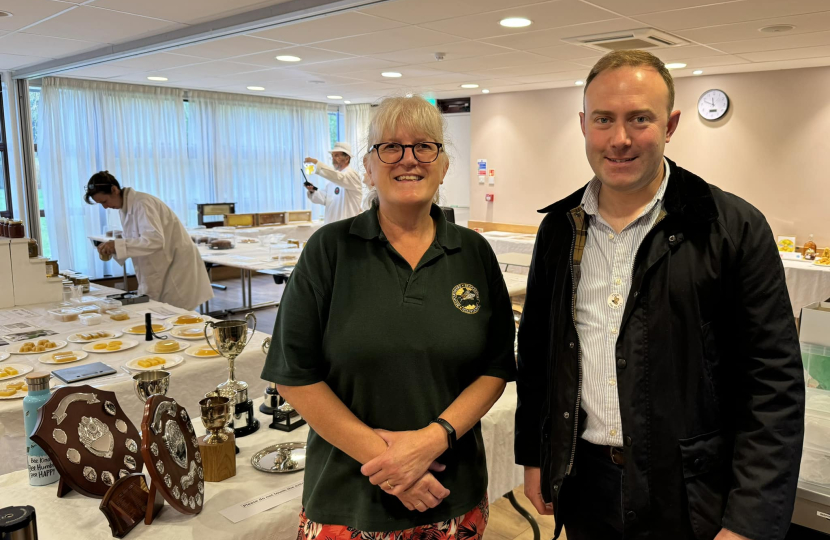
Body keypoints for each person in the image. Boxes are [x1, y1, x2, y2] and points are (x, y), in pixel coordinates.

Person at [515, 50, 804, 540]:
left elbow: (772, 385)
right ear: (584, 124)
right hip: (586, 483)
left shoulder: (731, 228)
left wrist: (751, 519)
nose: (620, 138)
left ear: (670, 125)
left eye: (639, 119)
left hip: (693, 494)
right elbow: (539, 355)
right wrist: (535, 454)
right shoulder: (561, 230)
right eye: (604, 119)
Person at [263, 96, 516, 538]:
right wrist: (393, 463)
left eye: (424, 147)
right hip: (347, 497)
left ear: (443, 165)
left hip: (450, 494)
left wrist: (432, 440)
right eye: (390, 147)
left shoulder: (473, 253)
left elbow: (494, 369)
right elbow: (293, 374)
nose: (408, 160)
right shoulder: (329, 250)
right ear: (368, 166)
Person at [85, 171, 213, 311]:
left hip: (175, 264)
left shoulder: (142, 203)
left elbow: (155, 240)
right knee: (160, 311)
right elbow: (139, 237)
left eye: (104, 201)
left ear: (114, 190)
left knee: (175, 313)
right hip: (161, 263)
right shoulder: (125, 207)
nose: (105, 207)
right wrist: (117, 243)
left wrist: (118, 245)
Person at [305, 141, 363, 223]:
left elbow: (339, 177)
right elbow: (324, 199)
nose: (333, 159)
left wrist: (316, 163)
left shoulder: (352, 176)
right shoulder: (332, 182)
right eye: (332, 156)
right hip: (331, 226)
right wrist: (313, 191)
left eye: (336, 156)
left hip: (346, 229)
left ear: (347, 159)